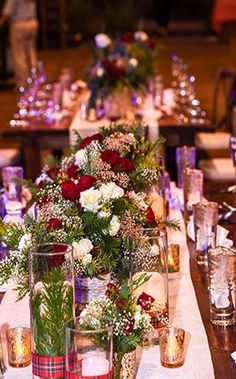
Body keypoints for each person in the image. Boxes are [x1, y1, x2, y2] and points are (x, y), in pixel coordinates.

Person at [1, 0, 38, 88]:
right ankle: (34, 81)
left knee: (19, 56)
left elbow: (7, 13)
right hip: (32, 22)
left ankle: (23, 84)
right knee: (31, 53)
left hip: (19, 23)